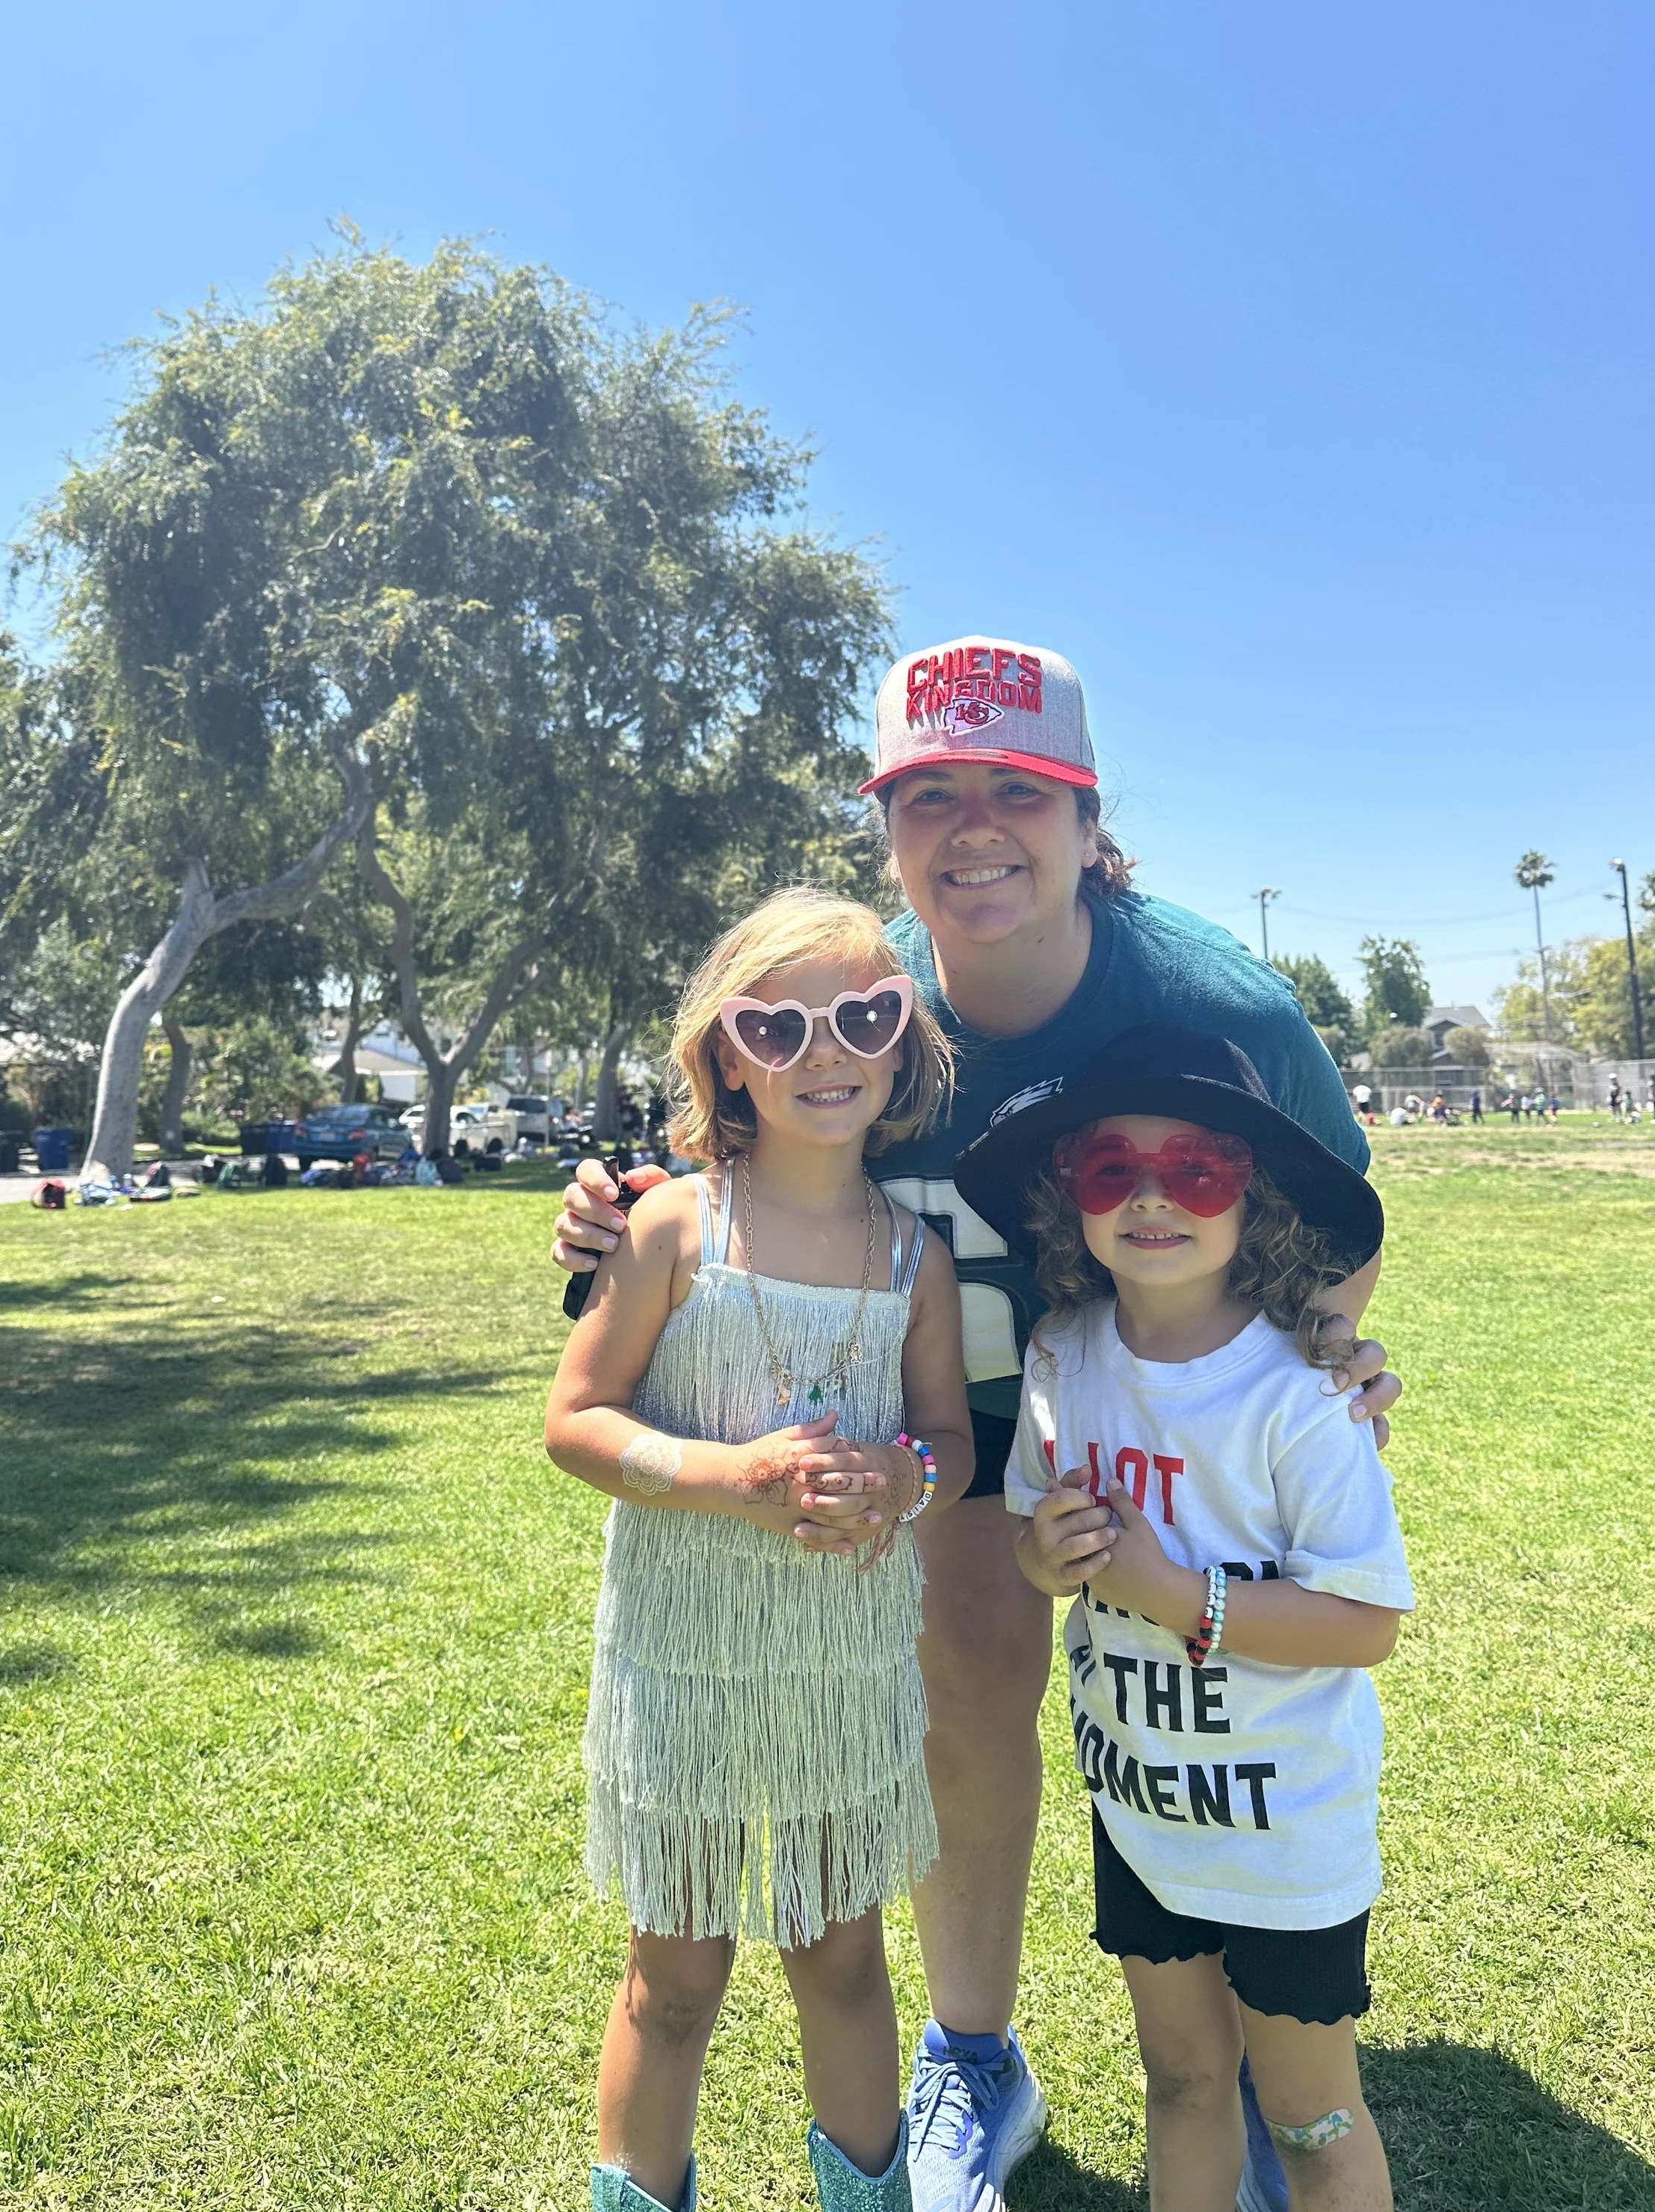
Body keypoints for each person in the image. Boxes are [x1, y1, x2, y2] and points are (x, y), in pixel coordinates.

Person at [554, 638, 1402, 2211]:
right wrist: (608, 1209)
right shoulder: (853, 994)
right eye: (928, 791)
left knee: (1196, 1691)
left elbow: (1335, 1209)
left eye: (1018, 787)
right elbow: (716, 1149)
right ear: (884, 823)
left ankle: (1244, 2057)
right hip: (923, 1410)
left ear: (1088, 818)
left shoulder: (1215, 999)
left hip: (1140, 1383)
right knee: (966, 1702)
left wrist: (1317, 1354)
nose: (974, 826)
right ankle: (971, 2056)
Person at [546, 890, 973, 2211]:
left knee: (841, 1954)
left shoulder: (919, 1261)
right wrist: (732, 1476)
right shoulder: (673, 1228)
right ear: (723, 1052)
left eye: (862, 1016)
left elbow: (952, 1445)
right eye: (775, 1026)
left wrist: (901, 1483)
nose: (823, 1052)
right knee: (675, 1974)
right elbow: (571, 1422)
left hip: (842, 1664)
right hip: (682, 1658)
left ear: (903, 1043)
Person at [954, 1025, 1413, 2212]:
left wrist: (1171, 1597)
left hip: (1286, 1828)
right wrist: (1047, 1559)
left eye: (1198, 1169)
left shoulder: (1306, 1392)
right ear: (1071, 1196)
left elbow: (1365, 1627)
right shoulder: (1062, 1354)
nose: (1154, 1198)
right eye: (1112, 1168)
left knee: (1311, 2118)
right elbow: (1030, 1536)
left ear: (1250, 1196)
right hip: (1142, 1804)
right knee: (1181, 2080)